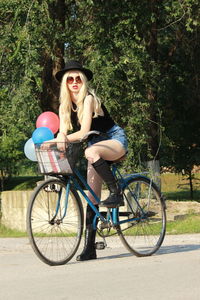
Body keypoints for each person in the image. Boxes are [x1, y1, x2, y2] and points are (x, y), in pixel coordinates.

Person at [54, 60, 128, 261]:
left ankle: (116, 192)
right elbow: (63, 133)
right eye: (70, 79)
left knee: (90, 152)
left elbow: (84, 132)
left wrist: (59, 138)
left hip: (113, 139)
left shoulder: (88, 100)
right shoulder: (64, 106)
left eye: (78, 78)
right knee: (92, 198)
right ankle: (89, 248)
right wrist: (55, 141)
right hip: (94, 147)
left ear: (84, 80)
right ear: (65, 83)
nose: (75, 82)